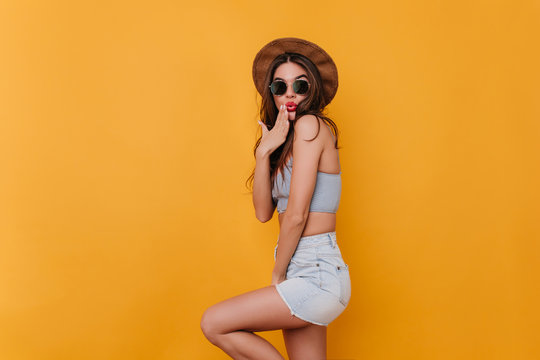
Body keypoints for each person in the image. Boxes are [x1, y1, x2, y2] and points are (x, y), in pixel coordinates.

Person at [200, 37, 351, 360]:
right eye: (280, 87)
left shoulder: (311, 125)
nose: (290, 93)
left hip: (315, 269)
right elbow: (263, 212)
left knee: (214, 323)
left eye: (300, 84)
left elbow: (296, 214)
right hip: (309, 269)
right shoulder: (286, 141)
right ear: (271, 93)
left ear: (314, 89)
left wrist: (277, 274)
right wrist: (264, 150)